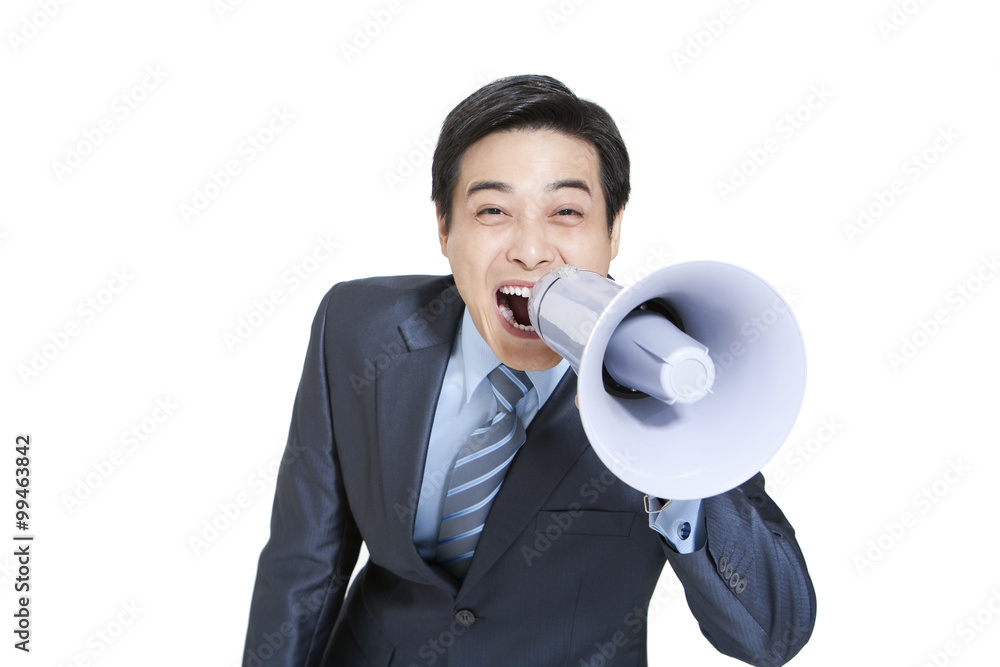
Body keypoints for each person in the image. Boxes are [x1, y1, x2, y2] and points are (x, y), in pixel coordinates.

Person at [242, 74, 816, 667]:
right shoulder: (358, 328)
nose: (532, 250)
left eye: (567, 211)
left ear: (614, 230)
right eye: (493, 209)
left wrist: (681, 453)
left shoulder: (684, 377)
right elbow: (304, 568)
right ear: (444, 227)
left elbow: (773, 635)